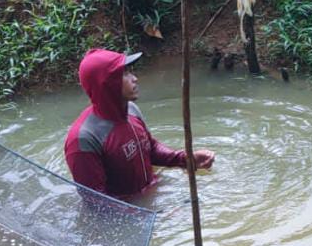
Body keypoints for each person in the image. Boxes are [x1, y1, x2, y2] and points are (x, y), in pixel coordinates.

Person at [65, 48, 215, 197]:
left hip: (150, 194)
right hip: (132, 213)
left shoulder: (131, 110)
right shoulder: (83, 140)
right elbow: (98, 205)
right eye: (124, 73)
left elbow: (150, 147)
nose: (134, 78)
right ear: (107, 83)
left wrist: (184, 159)